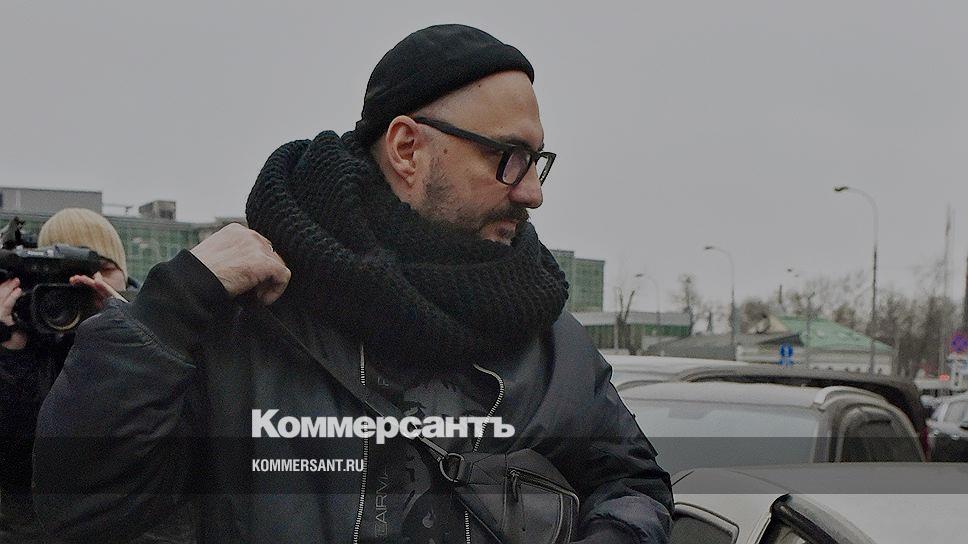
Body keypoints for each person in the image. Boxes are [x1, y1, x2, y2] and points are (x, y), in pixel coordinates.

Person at [32, 25, 673, 543]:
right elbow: (83, 506)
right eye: (509, 158)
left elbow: (633, 484)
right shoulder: (247, 316)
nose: (532, 192)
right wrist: (170, 307)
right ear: (406, 148)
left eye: (537, 163)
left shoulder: (548, 335)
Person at [0, 209, 152, 542]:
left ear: (124, 275)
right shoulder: (26, 340)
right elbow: (16, 466)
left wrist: (127, 334)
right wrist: (12, 352)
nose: (86, 286)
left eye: (103, 270)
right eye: (69, 275)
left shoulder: (153, 329)